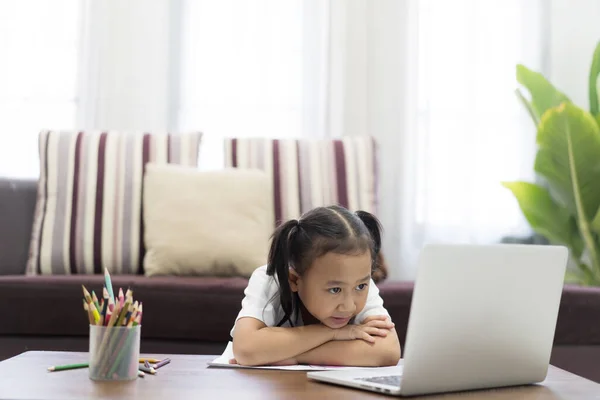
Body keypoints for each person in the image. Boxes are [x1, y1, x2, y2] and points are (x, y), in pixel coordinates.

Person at [229, 205, 401, 367]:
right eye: (335, 290)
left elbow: (388, 350)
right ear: (294, 280)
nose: (349, 306)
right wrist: (332, 333)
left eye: (361, 287)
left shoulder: (357, 281)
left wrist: (292, 355)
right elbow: (246, 349)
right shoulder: (269, 279)